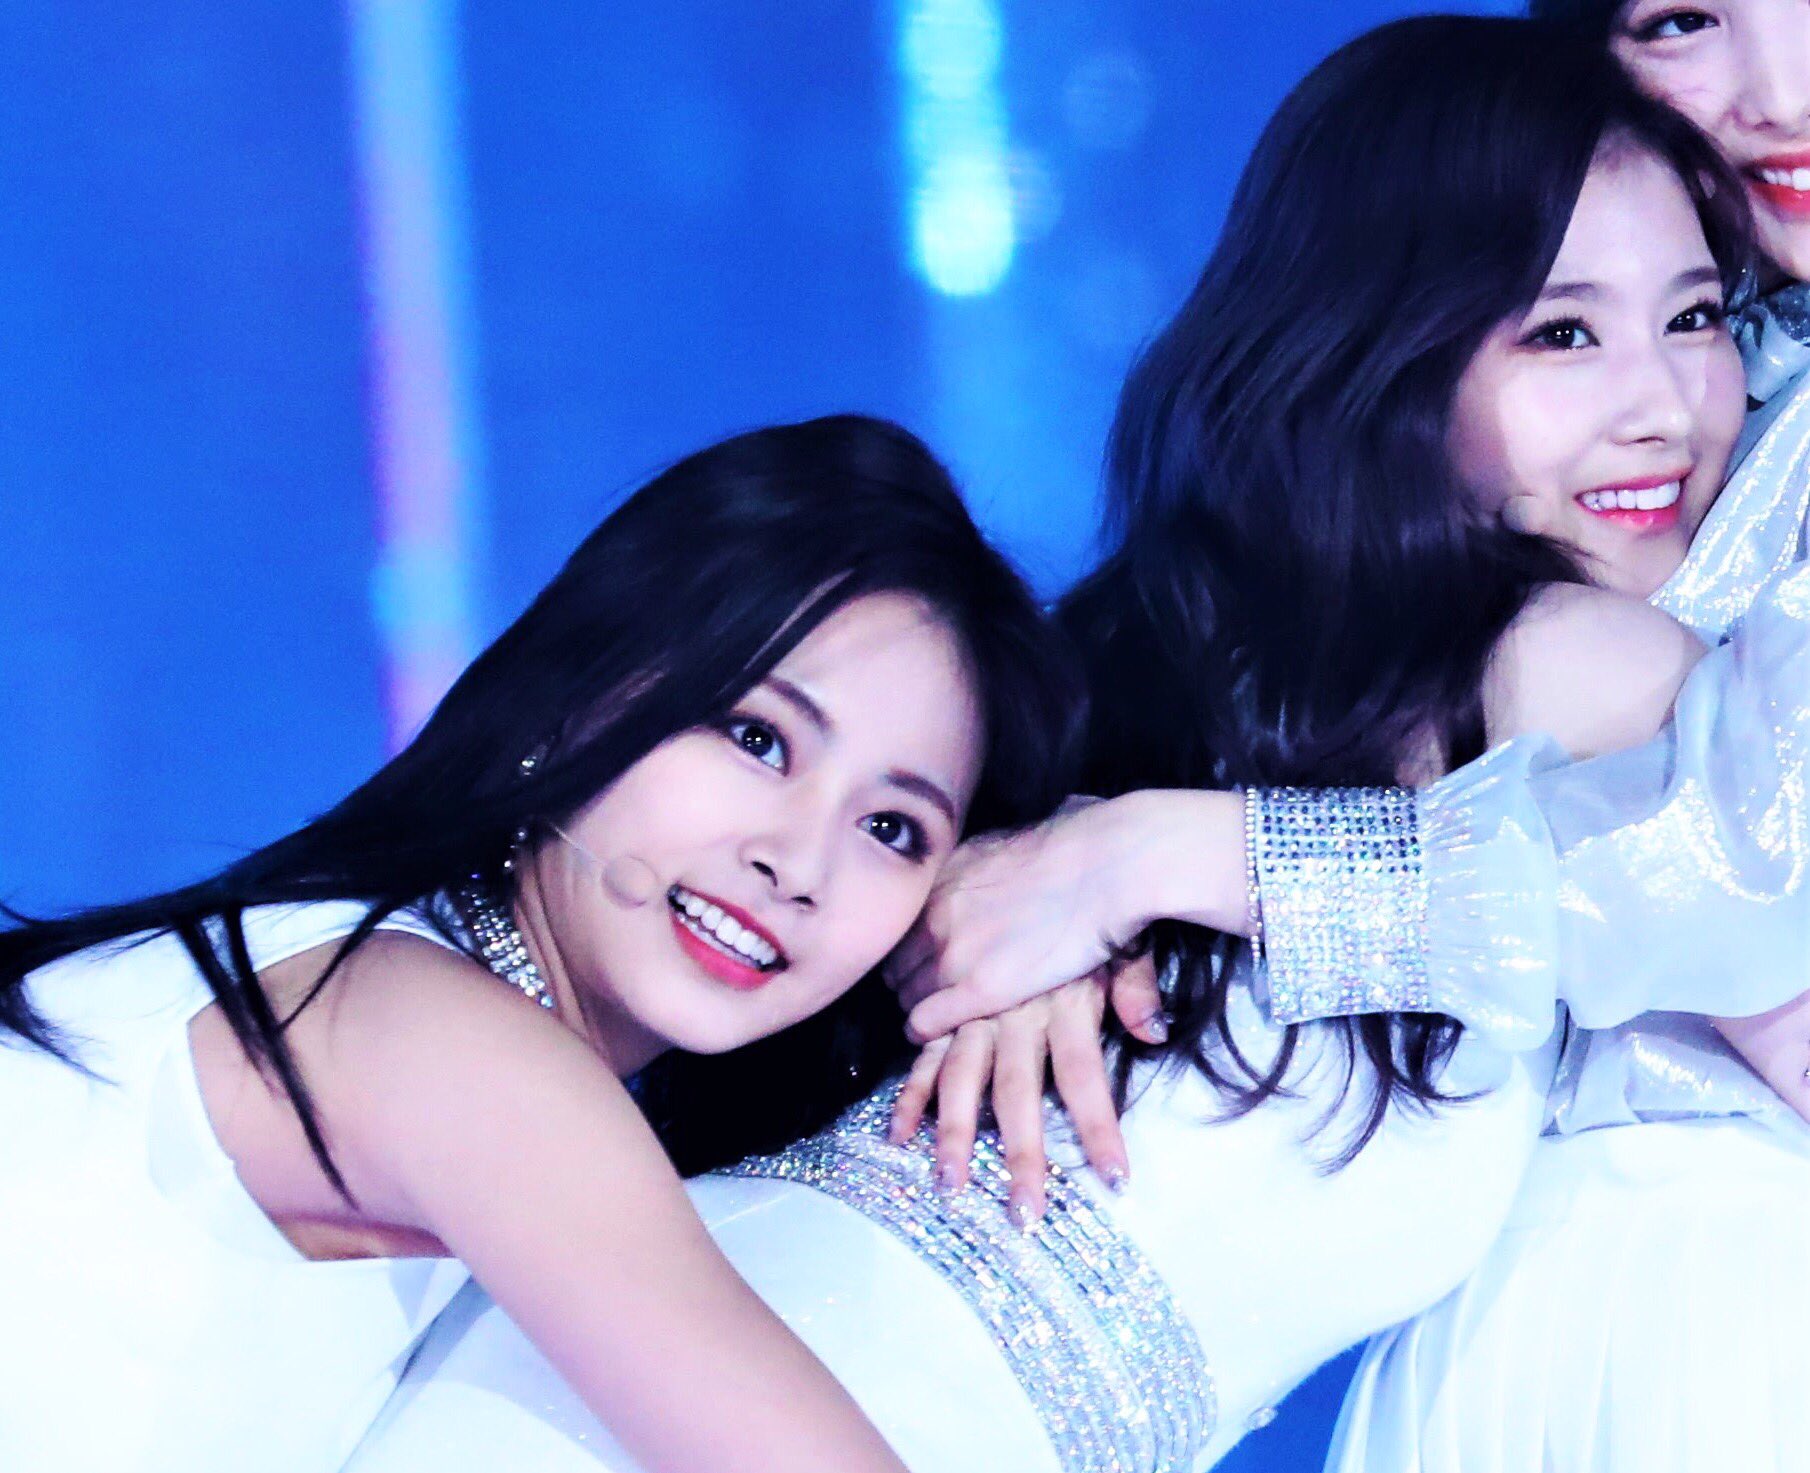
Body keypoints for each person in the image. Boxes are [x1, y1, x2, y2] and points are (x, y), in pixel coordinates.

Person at [346, 20, 1776, 1472]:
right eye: (1560, 334)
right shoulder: (1542, 668)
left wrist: (1157, 860)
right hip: (697, 1399)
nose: (1664, 409)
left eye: (1698, 318)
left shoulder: (1199, 709)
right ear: (1379, 351)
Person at [0, 414, 1086, 1473]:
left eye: (891, 829)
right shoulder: (441, 1041)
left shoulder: (408, 1002)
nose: (800, 864)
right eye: (758, 738)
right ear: (581, 695)